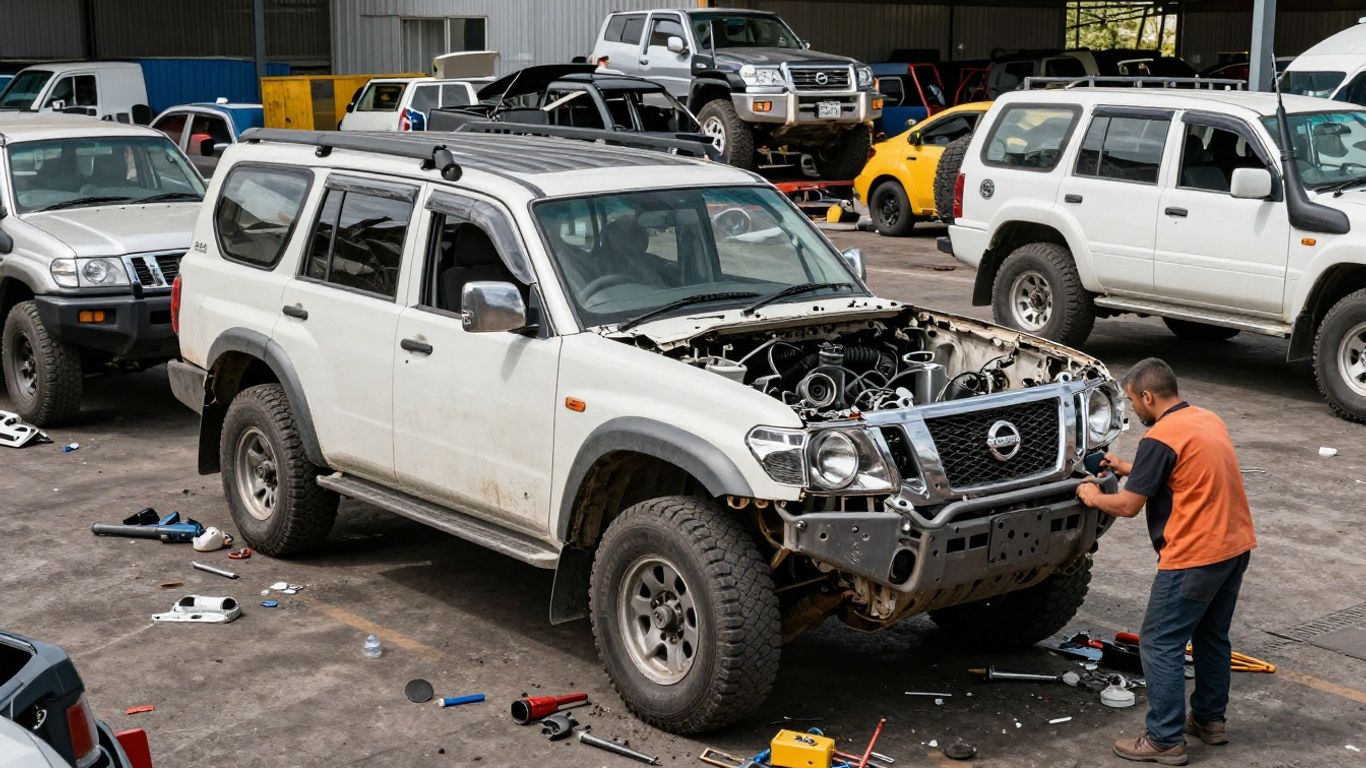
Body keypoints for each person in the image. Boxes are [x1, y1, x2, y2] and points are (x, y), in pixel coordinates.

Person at [1075, 358, 1256, 766]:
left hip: (1195, 555)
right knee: (1212, 637)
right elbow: (1181, 473)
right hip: (1234, 545)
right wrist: (1126, 468)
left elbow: (1126, 505)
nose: (1132, 410)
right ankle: (1210, 721)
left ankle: (1164, 739)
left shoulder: (1159, 438)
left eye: (1131, 402)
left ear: (1148, 396)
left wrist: (1092, 496)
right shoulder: (1204, 419)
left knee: (1160, 643)